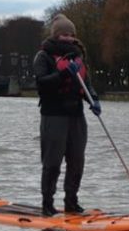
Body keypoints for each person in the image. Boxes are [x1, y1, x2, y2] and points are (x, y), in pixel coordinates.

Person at [33, 14, 101, 216]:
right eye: (64, 34)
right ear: (55, 35)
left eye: (71, 34)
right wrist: (63, 74)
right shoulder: (43, 56)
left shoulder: (78, 56)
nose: (69, 38)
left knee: (77, 161)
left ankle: (72, 202)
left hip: (76, 117)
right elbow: (42, 84)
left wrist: (93, 100)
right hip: (54, 115)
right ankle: (47, 204)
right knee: (52, 163)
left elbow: (86, 84)